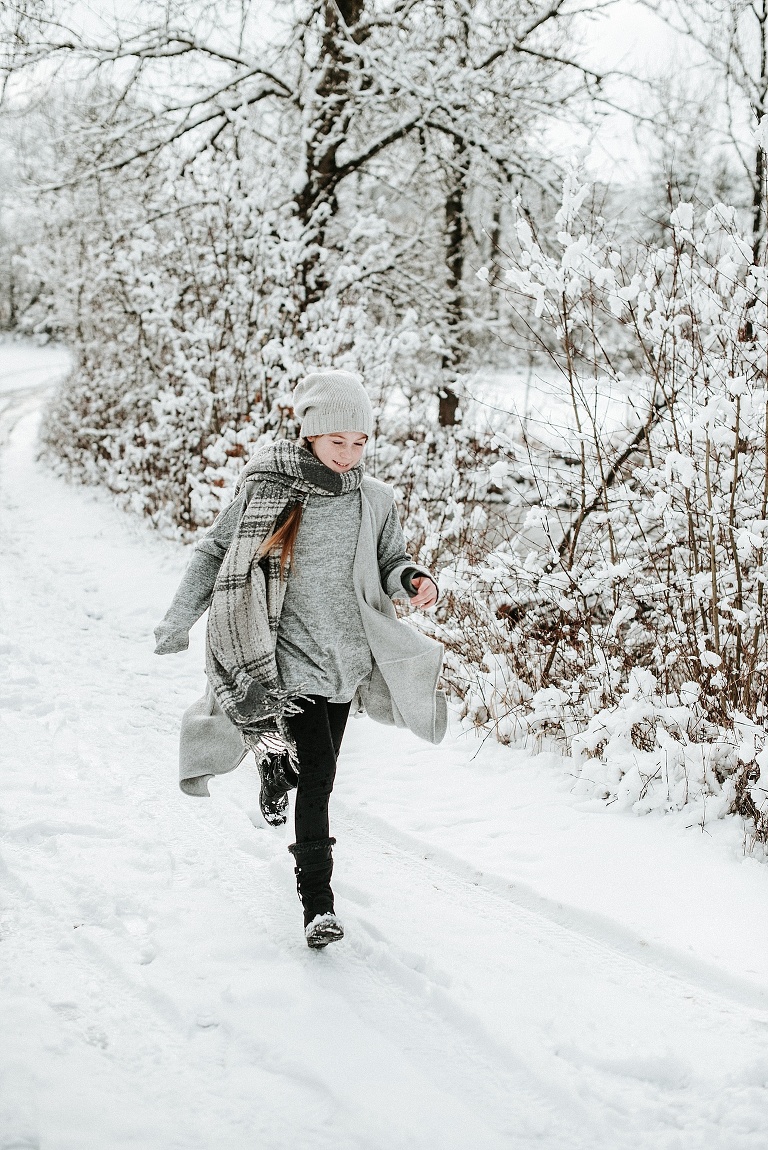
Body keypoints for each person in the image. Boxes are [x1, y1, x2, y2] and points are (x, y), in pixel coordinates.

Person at [154, 369, 446, 949]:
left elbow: (392, 561)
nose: (350, 454)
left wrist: (411, 578)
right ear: (310, 435)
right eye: (338, 441)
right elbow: (217, 551)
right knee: (322, 776)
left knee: (313, 765)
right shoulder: (271, 493)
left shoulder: (375, 501)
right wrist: (178, 618)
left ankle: (274, 763)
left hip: (346, 661)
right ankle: (318, 904)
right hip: (285, 658)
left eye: (360, 441)